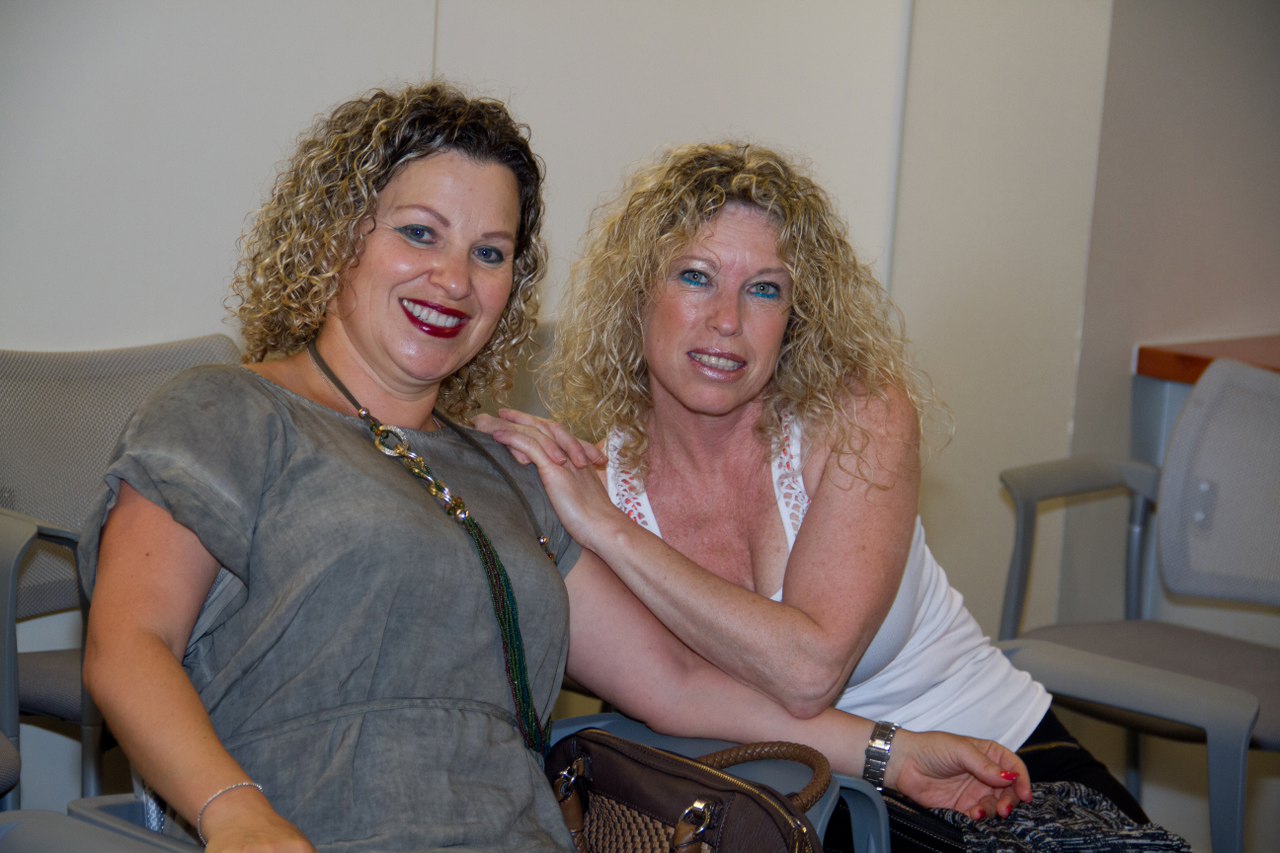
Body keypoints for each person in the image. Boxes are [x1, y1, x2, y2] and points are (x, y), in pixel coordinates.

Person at [80, 88, 1031, 853]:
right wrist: (234, 811)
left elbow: (676, 685)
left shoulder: (507, 470)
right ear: (338, 237)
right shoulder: (225, 412)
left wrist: (892, 753)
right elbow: (129, 644)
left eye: (489, 253)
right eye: (419, 233)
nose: (455, 279)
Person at [479, 142, 1179, 850]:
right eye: (696, 277)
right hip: (785, 795)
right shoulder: (587, 489)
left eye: (765, 289)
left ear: (797, 315)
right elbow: (676, 686)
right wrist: (889, 755)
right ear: (637, 295)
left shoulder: (857, 416)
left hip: (998, 758)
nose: (727, 320)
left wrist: (613, 531)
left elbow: (808, 670)